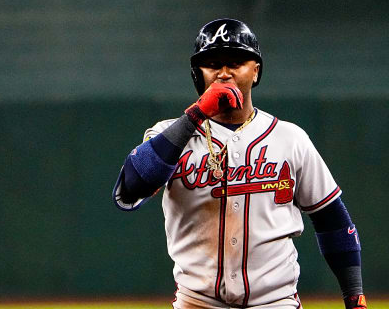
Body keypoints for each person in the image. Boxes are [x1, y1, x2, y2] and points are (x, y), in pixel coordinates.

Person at [113, 18, 366, 309]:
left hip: (275, 302)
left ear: (255, 72)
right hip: (197, 303)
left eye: (236, 63)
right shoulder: (169, 136)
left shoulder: (289, 138)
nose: (224, 73)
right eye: (213, 64)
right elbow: (130, 188)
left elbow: (333, 221)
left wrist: (354, 295)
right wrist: (196, 115)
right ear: (198, 74)